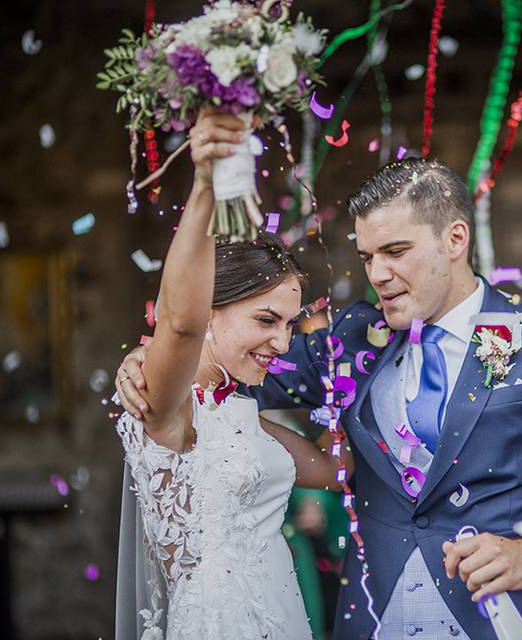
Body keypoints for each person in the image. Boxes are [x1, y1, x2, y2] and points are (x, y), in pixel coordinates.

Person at [118, 156, 522, 639]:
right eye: (367, 256)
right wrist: (150, 361)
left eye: (396, 251)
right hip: (373, 620)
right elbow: (229, 362)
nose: (378, 274)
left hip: (506, 622)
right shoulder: (354, 338)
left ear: (455, 239)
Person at [114, 108, 354, 640]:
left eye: (290, 325)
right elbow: (176, 322)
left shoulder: (237, 410)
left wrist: (388, 367)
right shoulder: (165, 404)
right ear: (210, 310)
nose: (283, 343)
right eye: (266, 320)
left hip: (282, 615)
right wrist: (206, 181)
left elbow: (333, 469)